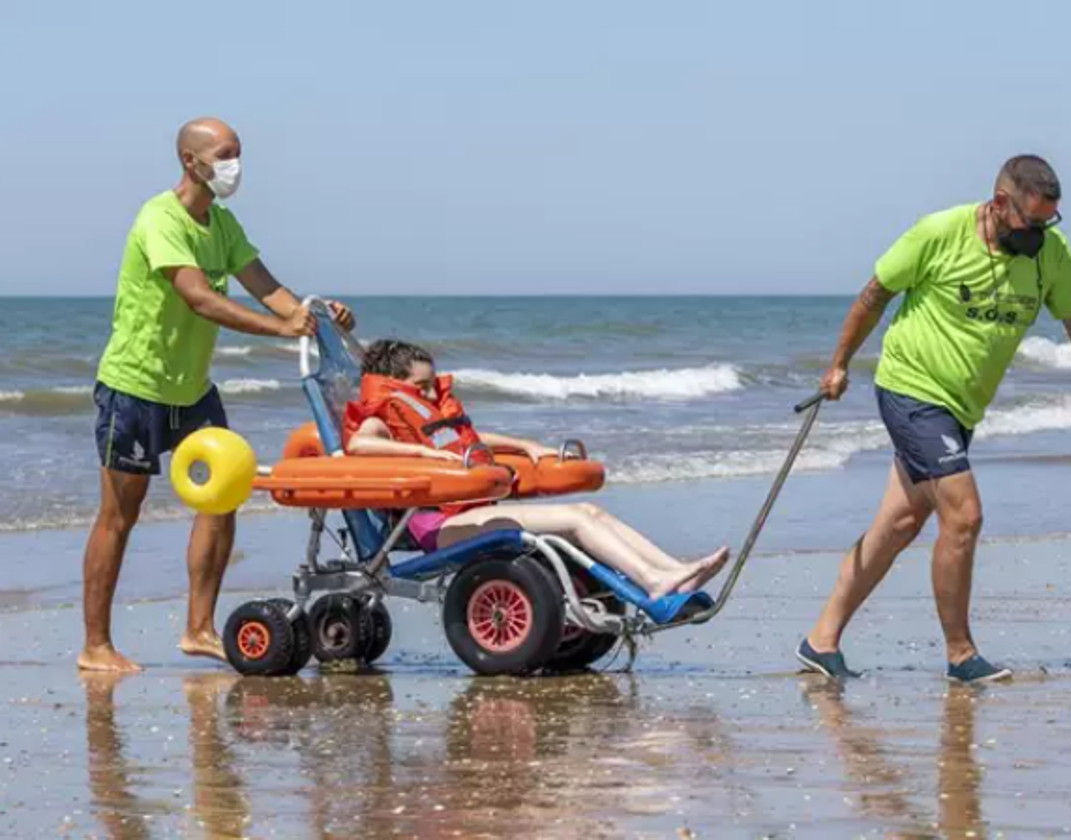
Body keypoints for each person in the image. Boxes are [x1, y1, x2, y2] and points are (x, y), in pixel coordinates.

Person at [798, 155, 1071, 683]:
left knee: (900, 524)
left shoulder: (1051, 255)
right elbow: (874, 294)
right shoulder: (940, 234)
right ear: (999, 204)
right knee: (964, 514)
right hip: (910, 389)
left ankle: (821, 640)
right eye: (1031, 223)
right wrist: (838, 364)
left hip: (961, 409)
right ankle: (960, 655)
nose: (1040, 235)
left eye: (1049, 223)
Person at [80, 117, 355, 673]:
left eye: (239, 154)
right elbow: (199, 299)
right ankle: (96, 645)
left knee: (222, 497)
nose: (236, 166)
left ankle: (199, 630)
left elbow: (268, 287)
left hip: (193, 390)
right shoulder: (160, 218)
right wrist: (280, 330)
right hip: (134, 387)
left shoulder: (222, 225)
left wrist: (316, 316)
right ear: (191, 160)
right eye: (226, 155)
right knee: (119, 515)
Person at [344, 340, 730, 598]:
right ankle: (654, 580)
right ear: (394, 386)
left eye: (433, 385)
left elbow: (470, 440)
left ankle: (674, 572)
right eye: (422, 387)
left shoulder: (425, 419)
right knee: (576, 521)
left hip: (470, 514)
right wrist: (429, 458)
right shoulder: (383, 418)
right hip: (437, 528)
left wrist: (525, 446)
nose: (431, 395)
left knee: (590, 512)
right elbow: (359, 444)